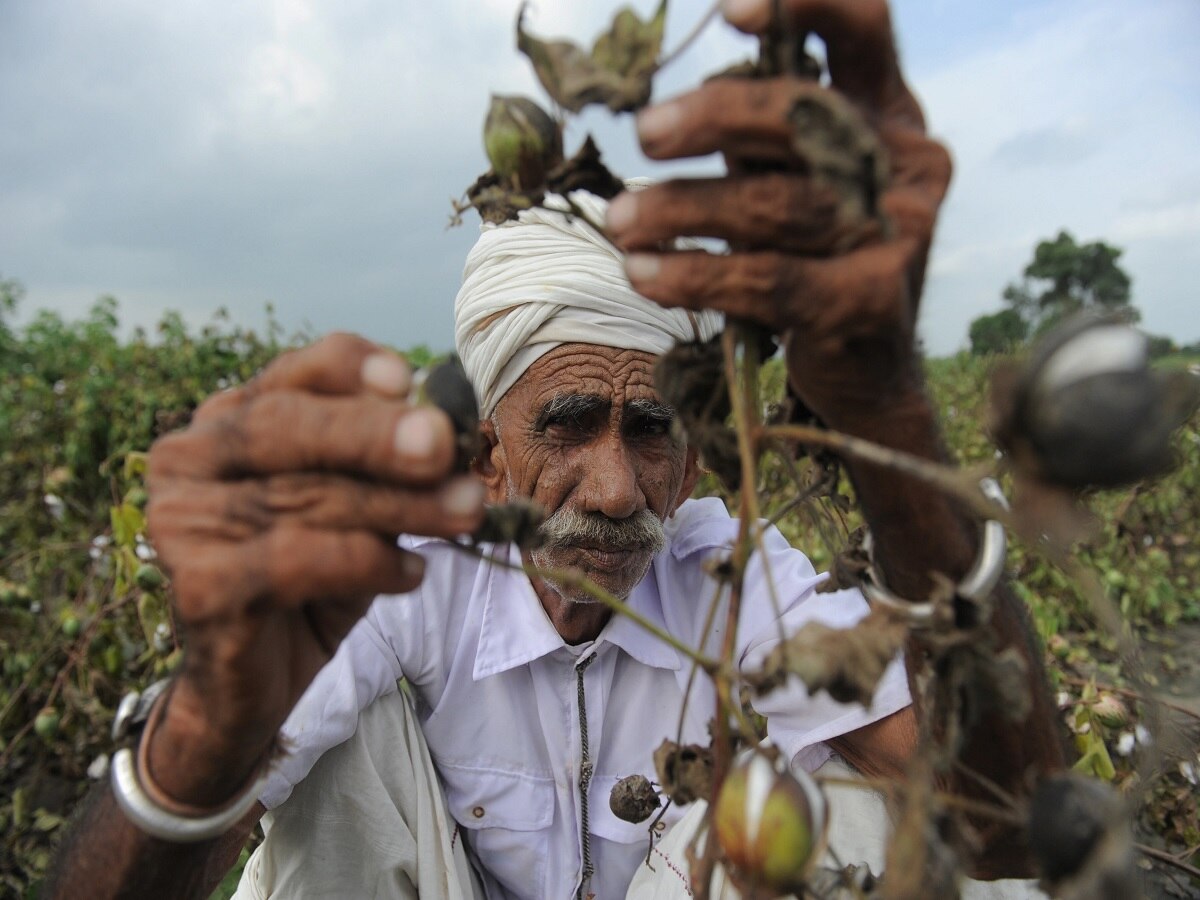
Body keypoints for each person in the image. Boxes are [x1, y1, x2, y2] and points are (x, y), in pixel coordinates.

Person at [44, 1, 1066, 898]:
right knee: (333, 757)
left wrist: (887, 416)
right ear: (487, 453)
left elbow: (1005, 834)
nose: (620, 491)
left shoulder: (729, 576)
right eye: (570, 423)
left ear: (698, 461)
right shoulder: (404, 578)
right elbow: (207, 822)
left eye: (653, 429)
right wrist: (203, 727)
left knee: (814, 793)